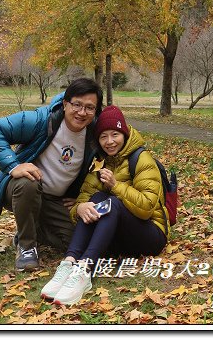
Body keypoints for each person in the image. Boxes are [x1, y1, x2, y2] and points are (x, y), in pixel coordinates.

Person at [40, 105, 169, 306]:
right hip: (119, 238)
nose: (109, 142)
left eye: (115, 134)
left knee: (112, 202)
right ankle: (69, 263)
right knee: (98, 198)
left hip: (151, 235)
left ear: (124, 134)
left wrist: (116, 186)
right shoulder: (100, 162)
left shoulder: (141, 158)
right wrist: (79, 208)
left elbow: (147, 208)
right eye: (103, 136)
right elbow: (84, 199)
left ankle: (85, 270)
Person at [0, 77, 103, 271]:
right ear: (65, 104)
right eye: (77, 105)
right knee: (27, 182)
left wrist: (80, 199)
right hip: (23, 189)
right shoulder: (41, 120)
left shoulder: (95, 133)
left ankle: (30, 229)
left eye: (89, 108)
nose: (82, 112)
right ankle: (27, 246)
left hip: (56, 200)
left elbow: (118, 149)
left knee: (76, 239)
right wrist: (14, 166)